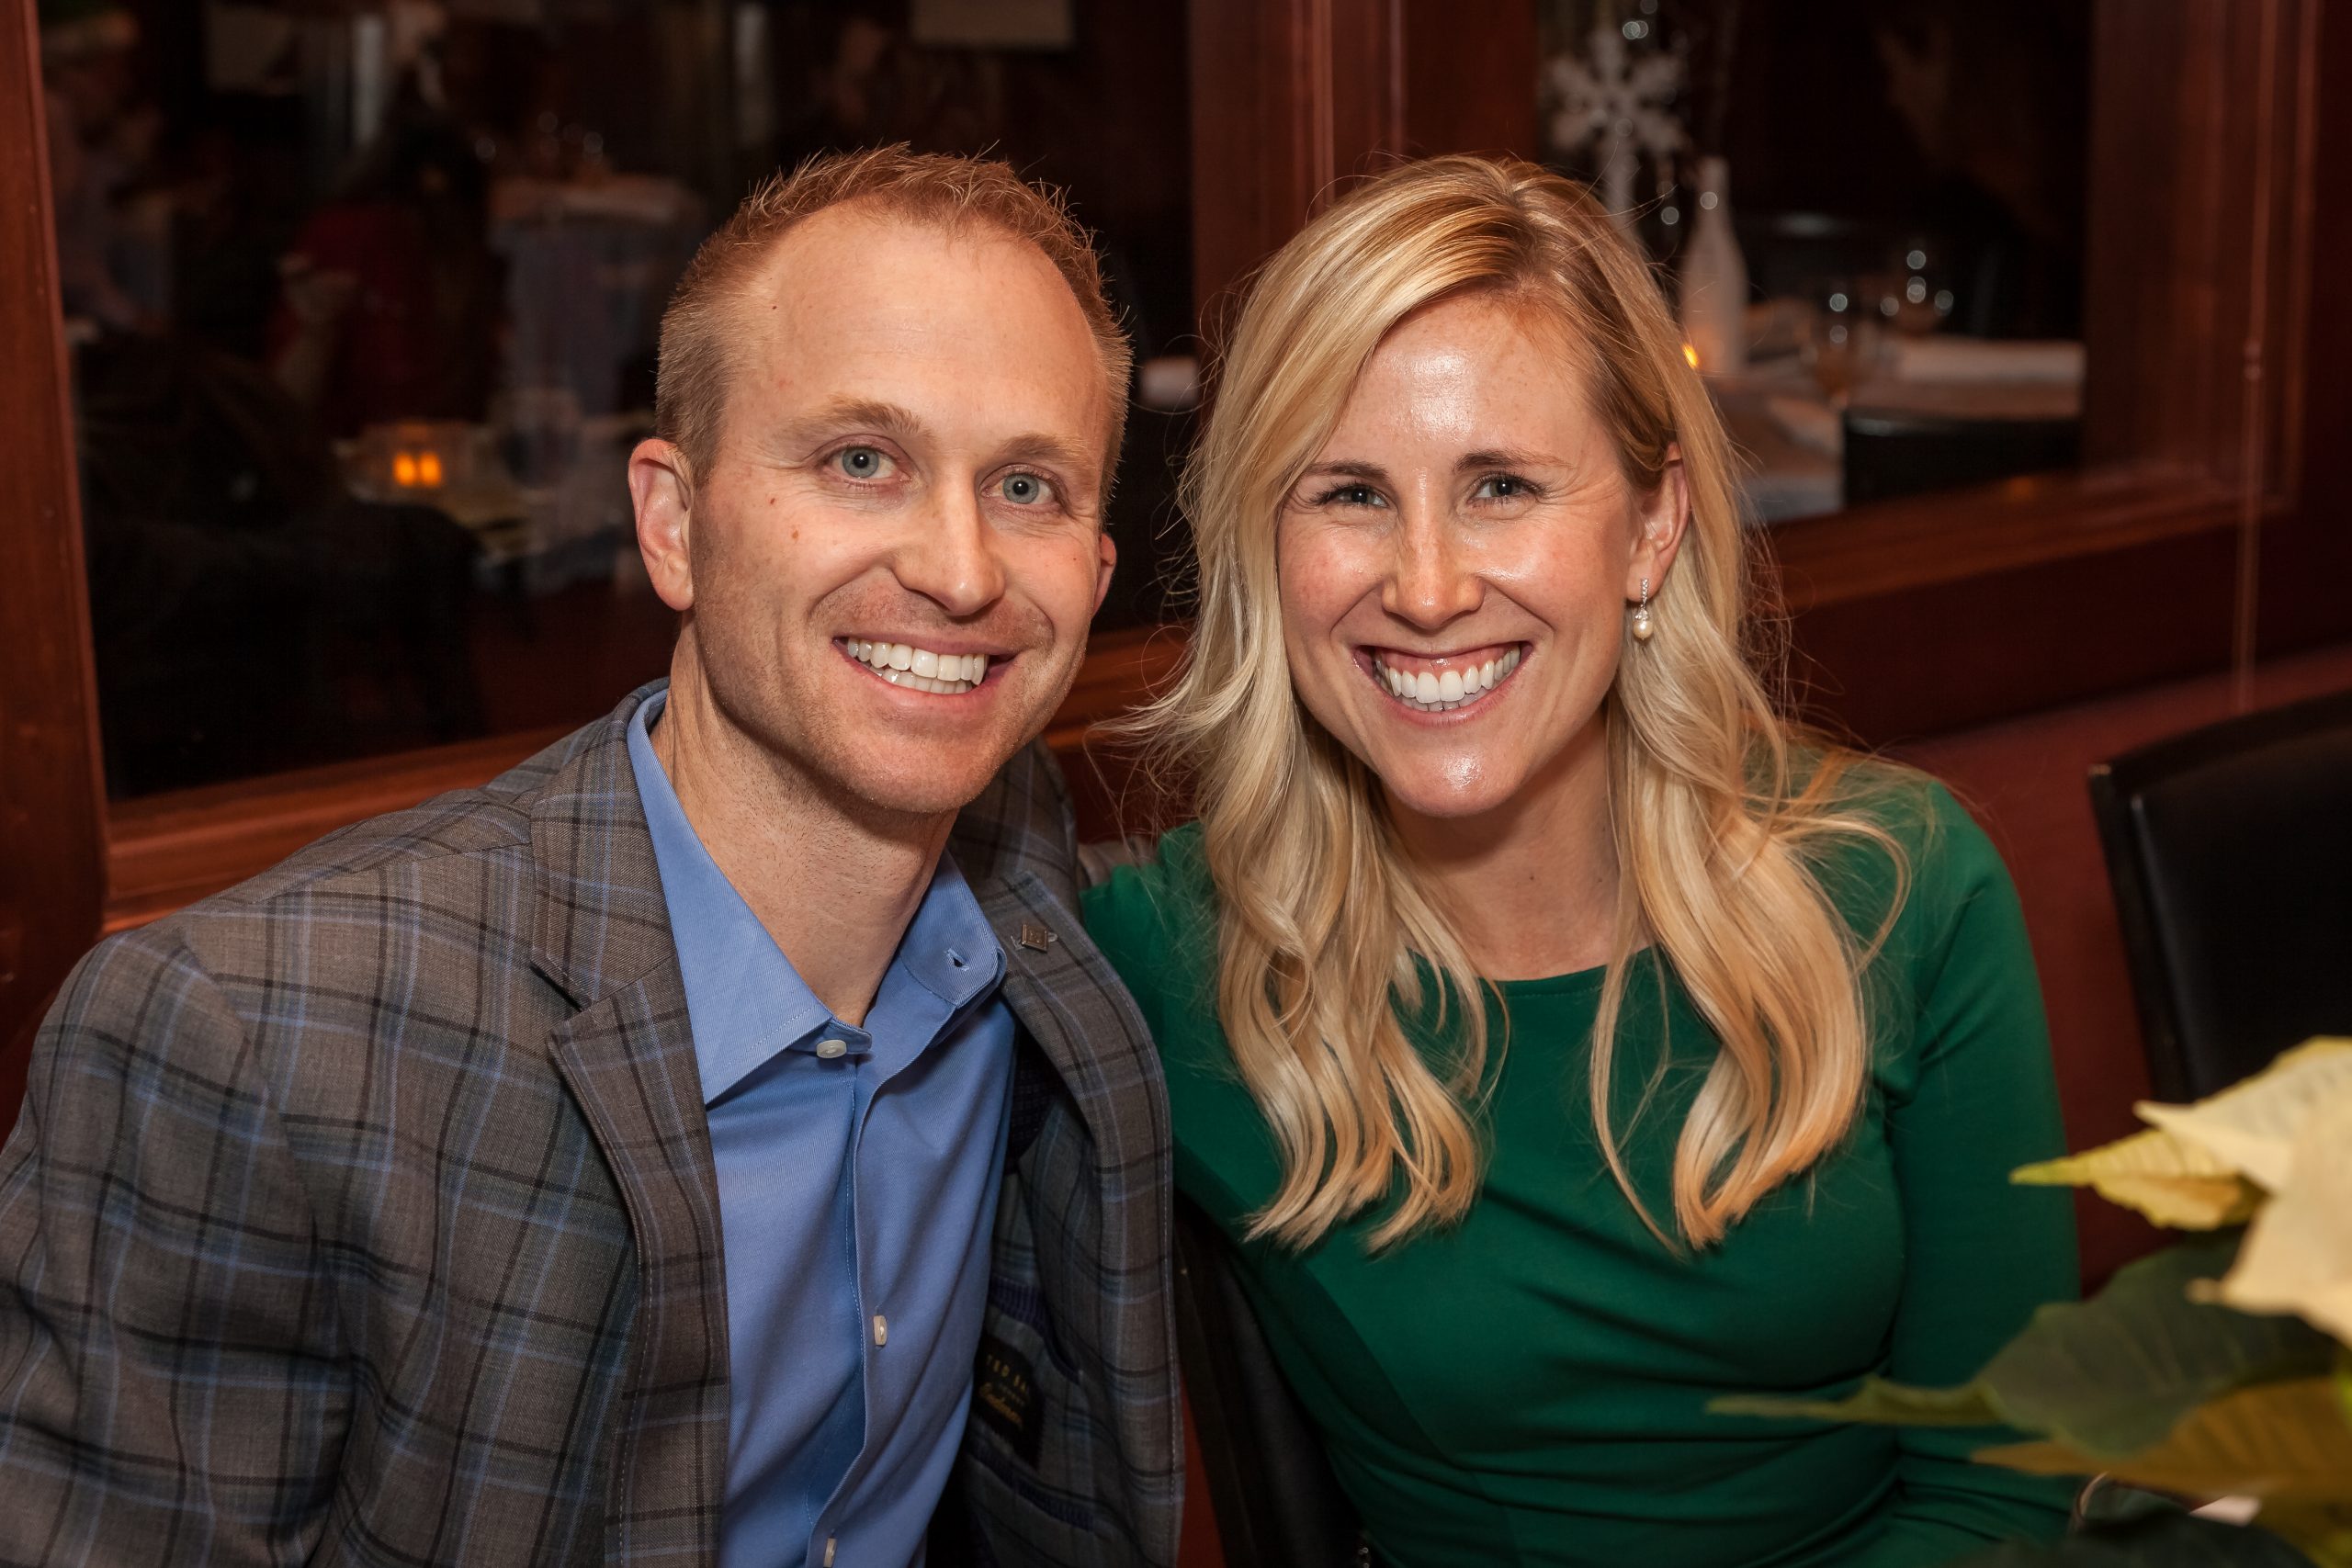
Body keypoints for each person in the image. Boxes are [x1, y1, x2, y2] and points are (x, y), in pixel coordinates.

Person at [0, 147, 1179, 1568]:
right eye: (861, 461)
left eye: (1029, 486)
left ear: (1093, 577)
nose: (962, 568)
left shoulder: (1031, 901)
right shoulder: (255, 1044)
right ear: (673, 524)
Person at [1084, 154, 2078, 1568]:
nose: (1427, 587)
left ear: (1652, 528)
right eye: (1350, 493)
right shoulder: (1177, 954)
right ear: (1265, 543)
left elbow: (2007, 1490)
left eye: (1501, 485)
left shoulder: (1904, 887)